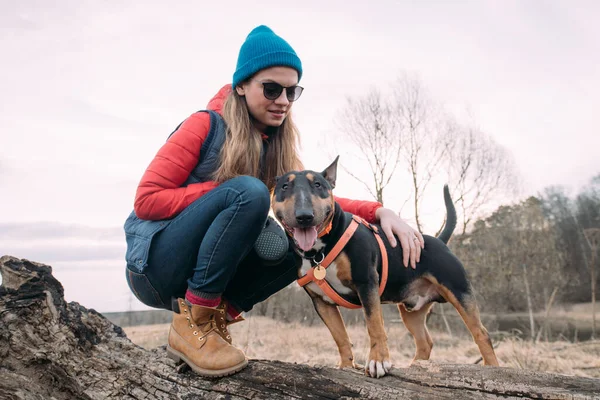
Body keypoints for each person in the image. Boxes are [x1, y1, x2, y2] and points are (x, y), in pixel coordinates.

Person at [124, 25, 425, 377]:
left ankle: (214, 321)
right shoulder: (204, 125)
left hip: (202, 273)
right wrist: (229, 189)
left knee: (293, 248)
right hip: (155, 266)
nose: (282, 99)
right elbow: (147, 200)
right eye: (271, 88)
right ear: (241, 86)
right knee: (249, 192)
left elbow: (315, 199)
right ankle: (195, 323)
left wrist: (380, 211)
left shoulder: (274, 148)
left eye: (291, 91)